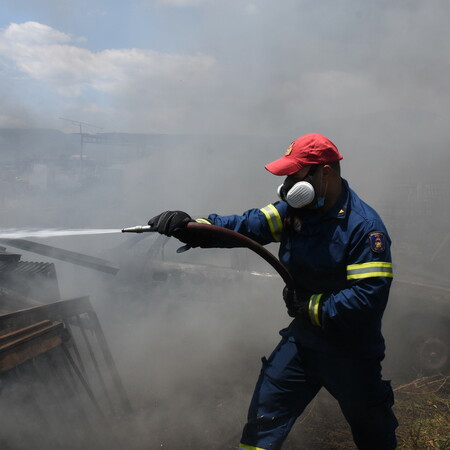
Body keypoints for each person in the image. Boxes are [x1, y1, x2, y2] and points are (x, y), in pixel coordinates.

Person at [148, 133, 398, 450]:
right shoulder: (295, 212)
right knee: (262, 423)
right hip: (304, 343)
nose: (288, 186)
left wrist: (309, 306)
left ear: (325, 173)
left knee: (373, 433)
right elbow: (243, 227)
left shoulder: (364, 227)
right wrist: (192, 227)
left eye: (294, 176)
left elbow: (368, 296)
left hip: (351, 351)